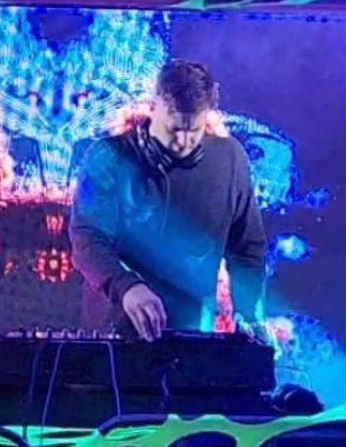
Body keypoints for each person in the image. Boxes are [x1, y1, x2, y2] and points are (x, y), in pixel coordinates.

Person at [70, 60, 266, 340]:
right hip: (115, 331)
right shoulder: (108, 157)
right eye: (173, 130)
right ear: (153, 107)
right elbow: (87, 239)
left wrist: (248, 314)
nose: (183, 142)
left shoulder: (231, 159)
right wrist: (126, 286)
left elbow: (247, 247)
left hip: (191, 332)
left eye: (194, 131)